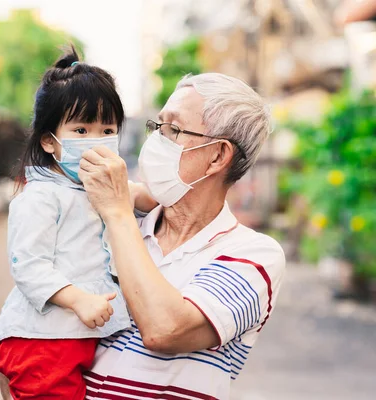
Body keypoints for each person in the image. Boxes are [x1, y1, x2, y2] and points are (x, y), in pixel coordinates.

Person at [76, 73, 286, 399]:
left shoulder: (253, 255)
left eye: (173, 130)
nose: (156, 140)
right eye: (157, 126)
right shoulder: (124, 221)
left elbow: (165, 329)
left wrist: (117, 213)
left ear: (217, 156)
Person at [0, 48, 157, 400]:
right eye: (80, 130)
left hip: (72, 339)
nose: (95, 140)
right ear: (50, 142)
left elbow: (142, 196)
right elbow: (29, 266)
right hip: (42, 341)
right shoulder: (40, 196)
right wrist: (79, 299)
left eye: (106, 129)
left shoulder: (99, 185)